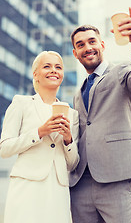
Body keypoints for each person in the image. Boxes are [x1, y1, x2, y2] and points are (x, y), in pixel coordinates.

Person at [69, 7, 131, 223]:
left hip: (117, 176)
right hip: (81, 183)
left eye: (92, 42)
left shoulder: (121, 72)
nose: (87, 48)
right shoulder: (78, 93)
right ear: (75, 53)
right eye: (80, 45)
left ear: (102, 45)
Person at [0, 51, 79, 223]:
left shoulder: (72, 114)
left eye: (58, 67)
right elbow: (4, 149)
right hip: (27, 185)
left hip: (58, 189)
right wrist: (39, 132)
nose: (53, 70)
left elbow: (73, 163)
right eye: (47, 66)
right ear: (36, 74)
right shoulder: (21, 103)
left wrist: (67, 139)